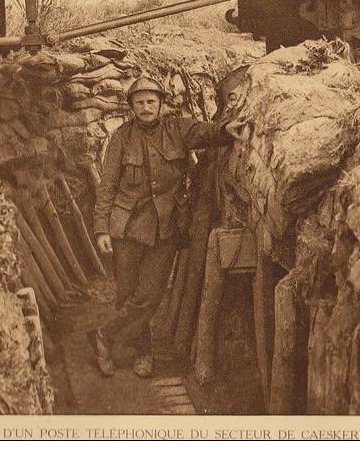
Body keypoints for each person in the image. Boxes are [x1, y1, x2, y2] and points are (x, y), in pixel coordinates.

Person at [88, 75, 244, 378]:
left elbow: (206, 132)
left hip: (165, 227)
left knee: (150, 294)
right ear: (131, 106)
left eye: (151, 102)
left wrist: (227, 130)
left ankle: (104, 336)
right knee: (128, 292)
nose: (146, 107)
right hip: (127, 228)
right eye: (139, 103)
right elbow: (106, 187)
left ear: (161, 104)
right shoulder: (121, 138)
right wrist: (101, 229)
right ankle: (143, 353)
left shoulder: (177, 128)